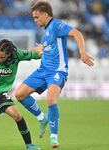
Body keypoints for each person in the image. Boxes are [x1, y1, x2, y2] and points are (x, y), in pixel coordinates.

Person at [14, 0, 94, 148]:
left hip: (57, 71)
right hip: (42, 70)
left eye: (37, 17)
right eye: (33, 17)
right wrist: (36, 50)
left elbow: (76, 33)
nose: (35, 20)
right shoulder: (46, 33)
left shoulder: (57, 25)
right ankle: (42, 118)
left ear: (45, 15)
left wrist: (82, 52)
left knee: (50, 98)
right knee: (19, 94)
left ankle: (54, 136)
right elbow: (45, 50)